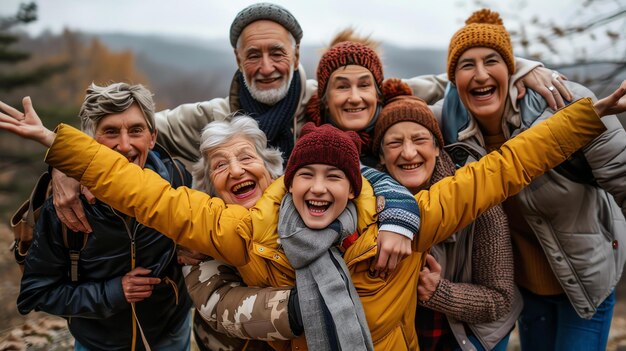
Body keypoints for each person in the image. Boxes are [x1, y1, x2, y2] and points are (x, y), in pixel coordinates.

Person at [2, 79, 623, 349]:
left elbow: (502, 168)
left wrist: (584, 117)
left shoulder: (402, 223)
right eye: (308, 177)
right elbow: (148, 195)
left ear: (354, 186)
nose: (320, 189)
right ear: (288, 182)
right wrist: (61, 147)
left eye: (335, 177)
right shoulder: (247, 228)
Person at [53, 3, 570, 235]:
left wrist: (521, 64)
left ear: (296, 53)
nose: (266, 65)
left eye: (276, 52)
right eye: (252, 55)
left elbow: (445, 81)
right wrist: (66, 163)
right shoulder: (211, 118)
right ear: (237, 60)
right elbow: (126, 131)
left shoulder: (334, 96)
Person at [440, 9, 626, 351]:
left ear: (511, 69)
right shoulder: (449, 123)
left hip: (588, 281)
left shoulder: (566, 104)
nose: (480, 75)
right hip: (524, 289)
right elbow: (392, 94)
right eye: (467, 65)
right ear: (454, 79)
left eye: (492, 61)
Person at [14, 83, 193, 351]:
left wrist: (187, 245)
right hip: (98, 343)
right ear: (90, 141)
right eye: (110, 132)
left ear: (152, 137)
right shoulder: (63, 206)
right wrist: (113, 293)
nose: (124, 145)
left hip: (170, 331)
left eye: (135, 130)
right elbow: (35, 293)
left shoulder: (178, 179)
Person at [372, 80, 519, 351]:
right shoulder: (369, 203)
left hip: (470, 335)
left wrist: (440, 292)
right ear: (381, 156)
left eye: (419, 140)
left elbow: (500, 299)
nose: (408, 152)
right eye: (394, 143)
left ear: (438, 147)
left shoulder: (476, 199)